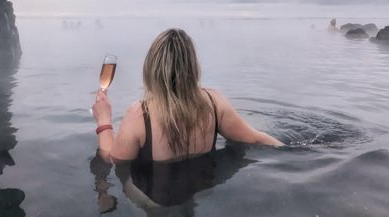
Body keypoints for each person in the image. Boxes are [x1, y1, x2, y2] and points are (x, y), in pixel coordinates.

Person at [92, 28, 283, 163]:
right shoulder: (214, 103)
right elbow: (256, 139)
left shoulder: (139, 116)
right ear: (192, 67)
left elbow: (113, 159)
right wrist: (291, 151)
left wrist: (103, 119)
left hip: (156, 199)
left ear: (151, 68)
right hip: (202, 187)